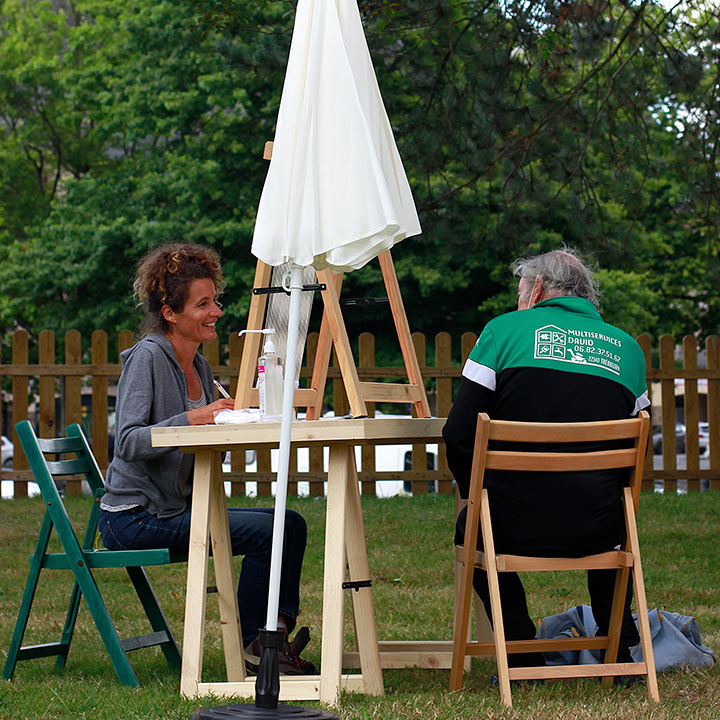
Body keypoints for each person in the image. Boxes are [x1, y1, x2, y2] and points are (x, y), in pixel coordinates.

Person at [99, 243, 314, 674]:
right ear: (170, 313)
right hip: (134, 518)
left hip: (177, 509)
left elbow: (203, 431)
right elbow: (127, 441)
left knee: (287, 524)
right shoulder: (148, 358)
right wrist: (193, 418)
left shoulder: (197, 365)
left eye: (215, 300)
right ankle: (259, 646)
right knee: (274, 530)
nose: (215, 310)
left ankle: (270, 638)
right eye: (203, 303)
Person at [443, 247, 650, 671]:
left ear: (537, 289)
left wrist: (477, 495)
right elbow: (636, 456)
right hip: (600, 525)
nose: (518, 301)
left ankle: (520, 648)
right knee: (617, 521)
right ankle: (622, 648)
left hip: (509, 525)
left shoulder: (503, 333)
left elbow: (459, 434)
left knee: (471, 527)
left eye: (520, 292)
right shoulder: (628, 350)